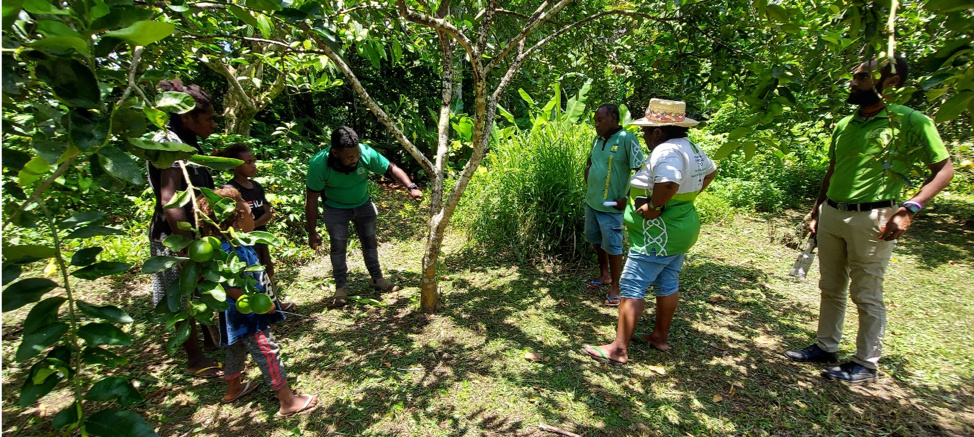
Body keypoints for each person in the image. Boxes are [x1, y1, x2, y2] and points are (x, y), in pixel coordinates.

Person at [785, 57, 954, 383]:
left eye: (861, 77)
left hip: (874, 217)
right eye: (855, 76)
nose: (853, 82)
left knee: (866, 293)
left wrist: (910, 208)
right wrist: (817, 210)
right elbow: (832, 171)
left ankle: (865, 362)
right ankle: (826, 346)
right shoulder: (845, 124)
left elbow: (944, 170)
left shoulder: (910, 121)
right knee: (830, 286)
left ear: (890, 83)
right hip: (833, 213)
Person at [582, 98, 716, 365]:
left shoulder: (666, 151)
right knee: (668, 283)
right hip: (680, 228)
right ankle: (659, 336)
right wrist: (682, 202)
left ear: (658, 131)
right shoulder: (690, 147)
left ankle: (618, 349)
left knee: (632, 286)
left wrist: (655, 206)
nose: (643, 137)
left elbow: (667, 183)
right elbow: (710, 173)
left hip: (657, 234)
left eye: (645, 131)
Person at [197, 187, 318, 417]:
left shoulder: (230, 244)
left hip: (233, 314)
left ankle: (233, 388)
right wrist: (256, 303)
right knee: (268, 351)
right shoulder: (230, 251)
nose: (253, 214)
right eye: (249, 213)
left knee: (236, 348)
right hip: (248, 314)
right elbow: (229, 286)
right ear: (236, 219)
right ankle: (287, 400)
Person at [147, 79, 221, 378]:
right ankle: (194, 359)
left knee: (198, 291)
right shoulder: (169, 143)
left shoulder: (188, 142)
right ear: (187, 117)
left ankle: (208, 342)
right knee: (180, 297)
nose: (213, 124)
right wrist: (188, 243)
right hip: (173, 238)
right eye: (209, 119)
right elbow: (169, 200)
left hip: (194, 234)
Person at [304, 126, 423, 306]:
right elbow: (311, 199)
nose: (355, 159)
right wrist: (312, 231)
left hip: (363, 204)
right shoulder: (319, 165)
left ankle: (377, 279)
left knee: (370, 242)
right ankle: (341, 287)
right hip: (335, 208)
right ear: (335, 153)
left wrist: (411, 187)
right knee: (338, 247)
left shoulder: (365, 153)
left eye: (357, 154)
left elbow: (391, 168)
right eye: (350, 157)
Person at [220, 144, 295, 311]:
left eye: (253, 161)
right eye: (248, 162)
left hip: (260, 236)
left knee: (267, 269)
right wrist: (250, 226)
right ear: (234, 165)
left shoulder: (256, 187)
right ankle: (256, 306)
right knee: (250, 274)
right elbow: (232, 220)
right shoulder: (230, 190)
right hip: (243, 243)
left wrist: (253, 225)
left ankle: (274, 302)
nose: (253, 165)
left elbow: (268, 212)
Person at [584, 104, 645, 306]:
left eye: (600, 120)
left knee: (613, 245)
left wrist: (627, 198)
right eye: (595, 121)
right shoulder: (597, 139)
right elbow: (590, 164)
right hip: (592, 202)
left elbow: (641, 171)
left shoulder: (627, 139)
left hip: (611, 205)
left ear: (613, 118)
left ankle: (615, 286)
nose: (596, 125)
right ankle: (604, 276)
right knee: (597, 240)